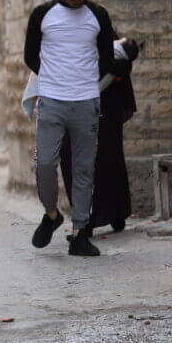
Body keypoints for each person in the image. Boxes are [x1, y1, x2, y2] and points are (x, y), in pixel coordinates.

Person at [24, 0, 114, 257]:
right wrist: (54, 77)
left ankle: (79, 232)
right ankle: (51, 214)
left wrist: (85, 80)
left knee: (83, 167)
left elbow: (107, 59)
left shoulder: (97, 16)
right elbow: (30, 56)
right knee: (46, 163)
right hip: (51, 100)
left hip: (86, 101)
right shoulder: (42, 14)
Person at [61, 36, 140, 236]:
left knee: (100, 168)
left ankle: (99, 218)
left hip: (98, 121)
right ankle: (97, 218)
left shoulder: (109, 54)